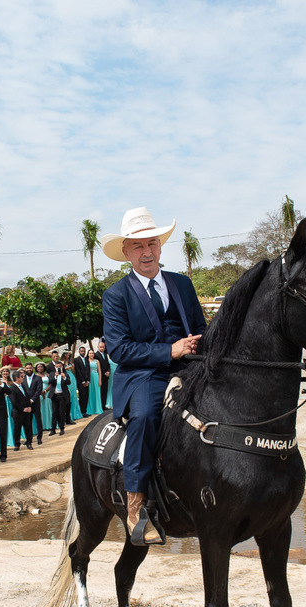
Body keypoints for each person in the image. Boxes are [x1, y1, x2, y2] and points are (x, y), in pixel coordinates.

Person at [101, 206, 206, 546]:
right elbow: (119, 350)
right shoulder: (116, 296)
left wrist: (197, 346)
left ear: (160, 246)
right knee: (145, 417)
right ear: (126, 253)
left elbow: (202, 329)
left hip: (190, 365)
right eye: (138, 246)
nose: (147, 252)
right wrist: (169, 351)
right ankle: (136, 504)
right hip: (144, 374)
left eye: (152, 244)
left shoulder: (182, 284)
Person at [8, 367, 37, 451]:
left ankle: (29, 443)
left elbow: (27, 397)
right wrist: (23, 409)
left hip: (27, 411)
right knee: (17, 429)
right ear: (17, 378)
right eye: (22, 376)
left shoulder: (23, 386)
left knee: (28, 428)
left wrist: (29, 407)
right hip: (18, 412)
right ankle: (17, 444)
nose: (23, 378)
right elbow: (14, 401)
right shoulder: (12, 388)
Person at [19, 365, 44, 445]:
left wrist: (32, 399)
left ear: (32, 368)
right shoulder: (23, 378)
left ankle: (39, 437)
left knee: (38, 420)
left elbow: (39, 389)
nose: (28, 369)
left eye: (30, 368)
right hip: (27, 404)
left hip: (35, 402)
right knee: (28, 422)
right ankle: (29, 439)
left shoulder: (38, 378)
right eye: (27, 368)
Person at [47, 358, 70, 435]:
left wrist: (64, 377)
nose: (58, 368)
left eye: (60, 367)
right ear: (54, 367)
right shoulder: (52, 374)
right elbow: (50, 382)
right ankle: (53, 429)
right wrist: (55, 377)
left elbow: (69, 382)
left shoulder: (65, 374)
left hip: (62, 396)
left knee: (61, 412)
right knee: (54, 412)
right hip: (54, 396)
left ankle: (61, 428)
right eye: (57, 367)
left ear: (62, 367)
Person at [73, 345, 92, 418]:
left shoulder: (86, 359)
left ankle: (85, 411)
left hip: (87, 381)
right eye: (81, 351)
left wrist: (88, 381)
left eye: (84, 351)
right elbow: (78, 372)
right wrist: (83, 382)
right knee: (82, 396)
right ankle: (82, 411)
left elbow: (88, 370)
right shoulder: (76, 360)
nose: (83, 352)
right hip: (81, 382)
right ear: (79, 352)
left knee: (86, 396)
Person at [95, 339, 112, 409]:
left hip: (106, 376)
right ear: (98, 347)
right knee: (100, 392)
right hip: (100, 376)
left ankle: (104, 405)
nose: (102, 348)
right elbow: (98, 367)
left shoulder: (105, 354)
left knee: (105, 391)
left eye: (103, 347)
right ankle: (100, 406)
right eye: (101, 347)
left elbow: (108, 364)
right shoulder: (96, 355)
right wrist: (103, 372)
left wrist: (108, 371)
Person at [87, 350, 104, 416]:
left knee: (97, 393)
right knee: (90, 393)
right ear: (88, 354)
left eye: (92, 353)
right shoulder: (87, 361)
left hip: (96, 377)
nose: (91, 354)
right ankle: (91, 409)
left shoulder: (97, 361)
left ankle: (98, 408)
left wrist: (100, 380)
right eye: (90, 353)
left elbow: (99, 371)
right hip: (90, 378)